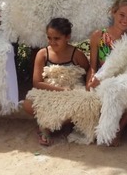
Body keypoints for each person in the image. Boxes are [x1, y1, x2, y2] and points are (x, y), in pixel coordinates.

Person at [22, 18, 90, 146]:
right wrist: (60, 90)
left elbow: (87, 72)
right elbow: (37, 83)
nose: (52, 42)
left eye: (57, 38)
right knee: (27, 104)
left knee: (83, 104)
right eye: (49, 38)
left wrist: (83, 89)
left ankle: (48, 127)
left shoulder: (77, 54)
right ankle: (58, 124)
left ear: (67, 37)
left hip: (71, 93)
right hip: (50, 92)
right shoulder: (43, 54)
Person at [87, 0, 127, 145]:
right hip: (103, 79)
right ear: (113, 12)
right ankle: (125, 124)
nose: (125, 20)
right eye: (122, 14)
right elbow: (93, 66)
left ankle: (120, 128)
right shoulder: (99, 36)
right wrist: (90, 80)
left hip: (124, 80)